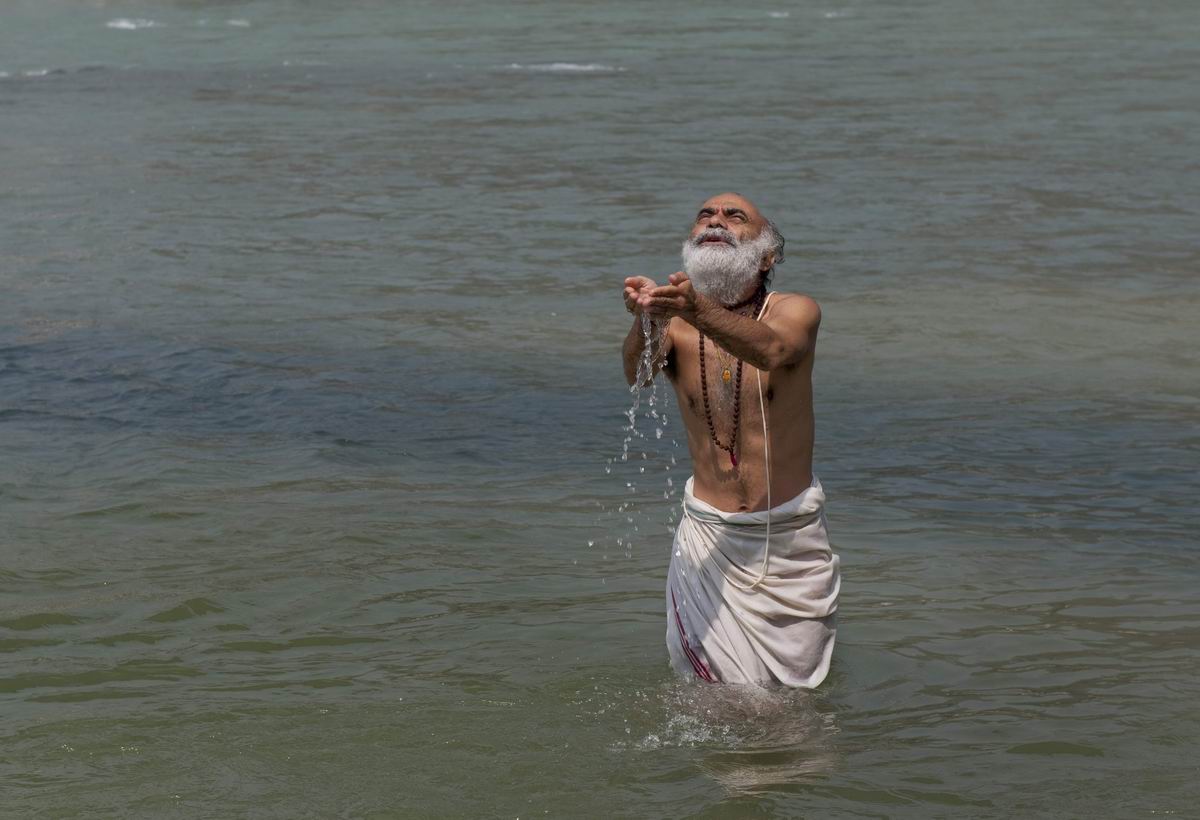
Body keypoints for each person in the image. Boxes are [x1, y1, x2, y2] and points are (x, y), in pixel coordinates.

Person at [620, 192, 840, 687]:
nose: (715, 221)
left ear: (766, 257)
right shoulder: (676, 319)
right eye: (705, 215)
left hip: (788, 540)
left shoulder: (796, 310)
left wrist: (695, 310)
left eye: (734, 216)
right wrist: (646, 320)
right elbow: (638, 375)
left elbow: (775, 349)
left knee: (792, 708)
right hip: (707, 537)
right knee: (715, 703)